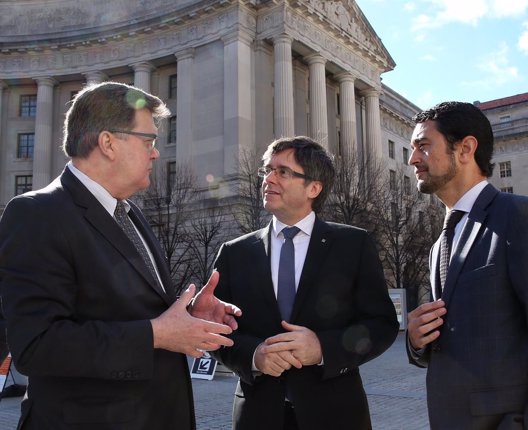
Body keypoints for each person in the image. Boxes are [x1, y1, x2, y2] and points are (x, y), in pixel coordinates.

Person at [0, 82, 241, 430]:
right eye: (148, 141)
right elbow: (37, 345)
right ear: (108, 143)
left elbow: (124, 308)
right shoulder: (36, 213)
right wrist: (156, 334)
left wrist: (187, 315)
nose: (156, 153)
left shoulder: (129, 212)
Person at [405, 101, 528, 429]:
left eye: (422, 146)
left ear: (465, 148)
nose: (412, 159)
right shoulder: (439, 246)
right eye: (411, 149)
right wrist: (417, 341)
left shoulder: (518, 216)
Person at [212, 136, 399, 430]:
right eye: (266, 170)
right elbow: (218, 331)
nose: (268, 179)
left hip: (336, 415)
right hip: (258, 417)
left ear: (313, 187)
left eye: (282, 172)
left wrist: (323, 348)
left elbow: (381, 324)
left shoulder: (353, 244)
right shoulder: (235, 252)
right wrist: (253, 356)